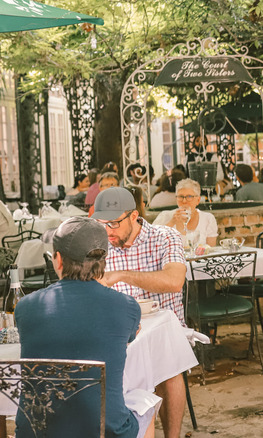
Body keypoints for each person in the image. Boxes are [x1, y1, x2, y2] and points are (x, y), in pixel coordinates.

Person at [16, 217, 155, 438]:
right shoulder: (127, 307)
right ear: (103, 261)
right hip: (103, 431)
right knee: (147, 404)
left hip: (37, 431)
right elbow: (128, 337)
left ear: (58, 259)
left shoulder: (25, 307)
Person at [92, 187, 188, 438]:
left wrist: (122, 276)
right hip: (121, 331)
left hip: (167, 328)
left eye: (113, 223)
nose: (107, 230)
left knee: (169, 369)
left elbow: (175, 280)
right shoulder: (101, 245)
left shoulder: (165, 237)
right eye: (101, 224)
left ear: (134, 216)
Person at [153, 178, 219, 247]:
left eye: (189, 196)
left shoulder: (208, 218)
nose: (184, 201)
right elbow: (151, 241)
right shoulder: (165, 216)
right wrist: (172, 222)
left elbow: (211, 249)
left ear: (198, 200)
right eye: (181, 196)